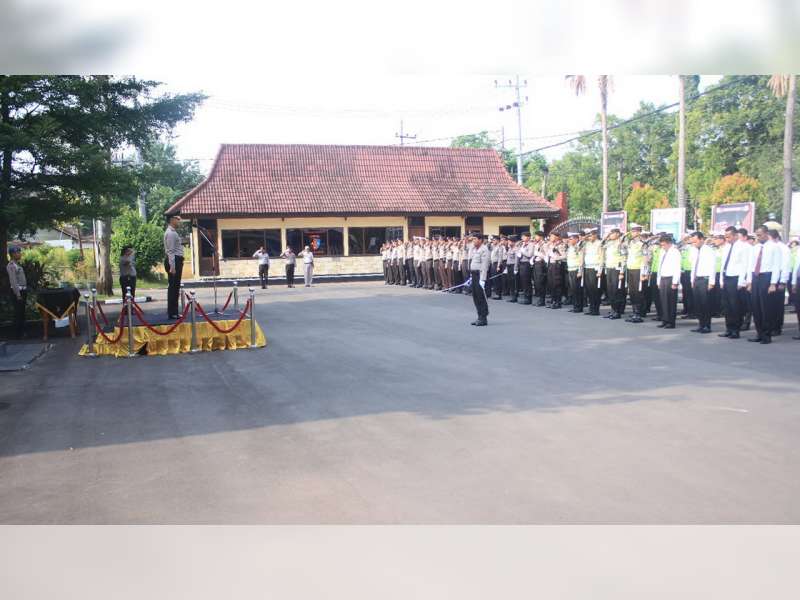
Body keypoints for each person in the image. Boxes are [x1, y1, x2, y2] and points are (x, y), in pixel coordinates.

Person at [744, 226, 781, 344]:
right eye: (757, 235)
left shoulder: (774, 247)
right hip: (755, 277)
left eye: (759, 235)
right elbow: (750, 265)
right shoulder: (755, 248)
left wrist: (773, 283)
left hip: (766, 277)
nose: (758, 237)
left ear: (766, 234)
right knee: (756, 307)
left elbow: (776, 266)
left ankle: (766, 335)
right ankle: (759, 333)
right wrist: (749, 281)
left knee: (765, 308)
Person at [688, 231, 715, 333]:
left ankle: (707, 326)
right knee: (698, 303)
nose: (693, 243)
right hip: (697, 279)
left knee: (705, 304)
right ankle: (701, 324)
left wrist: (711, 282)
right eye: (692, 242)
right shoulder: (694, 251)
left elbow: (712, 266)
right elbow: (693, 266)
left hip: (705, 279)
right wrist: (692, 280)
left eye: (695, 241)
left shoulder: (708, 250)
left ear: (702, 239)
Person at [622, 224, 650, 323]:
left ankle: (639, 313)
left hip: (638, 270)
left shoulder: (643, 244)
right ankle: (635, 312)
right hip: (630, 269)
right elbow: (621, 248)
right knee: (632, 292)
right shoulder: (630, 242)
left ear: (639, 232)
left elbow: (646, 259)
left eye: (634, 231)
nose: (632, 233)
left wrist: (644, 273)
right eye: (631, 231)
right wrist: (624, 236)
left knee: (639, 292)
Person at [656, 234, 681, 329]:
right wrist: (659, 280)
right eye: (661, 245)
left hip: (671, 278)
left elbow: (677, 267)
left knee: (670, 301)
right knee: (663, 300)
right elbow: (660, 266)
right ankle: (665, 320)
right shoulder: (663, 252)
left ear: (669, 243)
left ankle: (671, 321)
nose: (662, 247)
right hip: (663, 278)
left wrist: (675, 282)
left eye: (664, 245)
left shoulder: (675, 252)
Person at [163, 214, 184, 320]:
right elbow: (170, 251)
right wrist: (172, 266)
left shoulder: (173, 232)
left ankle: (174, 312)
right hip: (174, 261)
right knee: (173, 288)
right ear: (172, 220)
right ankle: (172, 313)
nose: (179, 221)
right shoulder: (171, 233)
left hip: (176, 260)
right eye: (177, 219)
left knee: (175, 287)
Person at [603, 228, 626, 319]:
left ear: (617, 234)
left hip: (617, 269)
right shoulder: (609, 243)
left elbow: (623, 258)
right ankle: (613, 310)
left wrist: (622, 272)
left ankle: (617, 311)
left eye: (612, 233)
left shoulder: (621, 244)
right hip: (609, 268)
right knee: (610, 291)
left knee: (617, 291)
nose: (610, 235)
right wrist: (606, 237)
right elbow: (601, 245)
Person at [469, 234, 491, 326]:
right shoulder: (475, 249)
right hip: (474, 275)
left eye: (475, 239)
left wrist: (483, 279)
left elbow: (485, 265)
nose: (473, 241)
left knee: (481, 297)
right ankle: (479, 316)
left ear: (480, 240)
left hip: (480, 276)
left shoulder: (484, 250)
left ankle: (483, 318)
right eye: (473, 239)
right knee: (475, 297)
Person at [6, 246, 27, 339]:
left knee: (22, 313)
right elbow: (13, 281)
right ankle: (17, 334)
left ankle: (22, 333)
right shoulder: (11, 265)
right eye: (18, 252)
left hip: (23, 290)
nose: (20, 254)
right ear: (13, 254)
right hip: (17, 292)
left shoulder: (17, 264)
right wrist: (18, 295)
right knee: (18, 313)